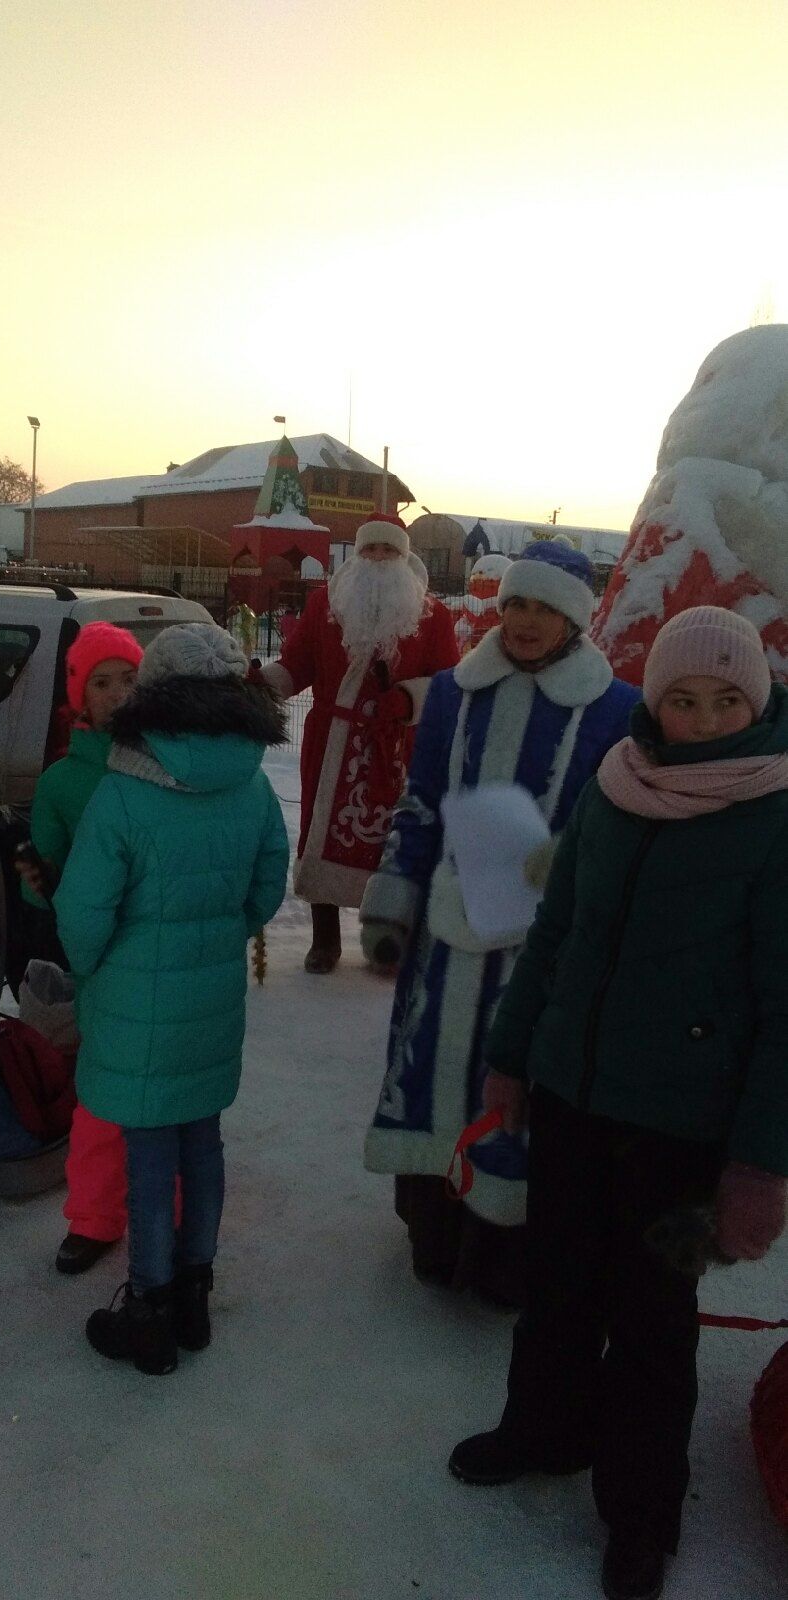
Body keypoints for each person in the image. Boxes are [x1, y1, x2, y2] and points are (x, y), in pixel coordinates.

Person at [448, 607, 788, 1600]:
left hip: (681, 1128)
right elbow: (557, 935)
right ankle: (542, 1429)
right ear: (657, 702)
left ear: (755, 704)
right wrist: (513, 1059)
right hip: (571, 1094)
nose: (703, 717)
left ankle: (641, 1511)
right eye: (683, 699)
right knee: (555, 1280)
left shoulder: (774, 813)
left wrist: (760, 1166)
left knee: (650, 1321)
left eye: (726, 700)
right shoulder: (615, 787)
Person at [361, 542, 639, 1303]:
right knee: (432, 1073)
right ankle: (434, 1234)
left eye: (545, 608)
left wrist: (569, 869)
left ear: (575, 621)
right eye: (516, 603)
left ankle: (503, 1254)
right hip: (443, 941)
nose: (525, 620)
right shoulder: (454, 692)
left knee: (513, 1094)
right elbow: (420, 800)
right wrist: (394, 899)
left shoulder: (616, 708)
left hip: (541, 949)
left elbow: (621, 825)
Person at [53, 623, 289, 1375]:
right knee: (203, 1147)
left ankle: (149, 1309)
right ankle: (194, 1294)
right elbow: (265, 885)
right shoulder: (251, 783)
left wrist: (94, 970)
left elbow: (83, 908)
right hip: (211, 999)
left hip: (132, 1004)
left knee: (150, 1159)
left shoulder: (125, 790)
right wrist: (218, 937)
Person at [261, 514, 458, 973]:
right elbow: (298, 664)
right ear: (358, 555)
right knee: (322, 829)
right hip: (333, 740)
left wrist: (409, 699)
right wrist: (259, 687)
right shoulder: (324, 606)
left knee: (396, 841)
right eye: (370, 549)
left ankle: (387, 938)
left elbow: (448, 682)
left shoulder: (433, 616)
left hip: (397, 746)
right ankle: (325, 938)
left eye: (389, 550)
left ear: (404, 557)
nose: (378, 558)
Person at [15, 621, 144, 1275]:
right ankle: (95, 1218)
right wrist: (38, 883)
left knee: (167, 1103)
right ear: (79, 697)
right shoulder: (63, 782)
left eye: (129, 678)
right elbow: (50, 888)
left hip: (165, 956)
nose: (119, 693)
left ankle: (170, 1219)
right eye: (102, 682)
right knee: (101, 1095)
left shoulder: (170, 762)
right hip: (102, 964)